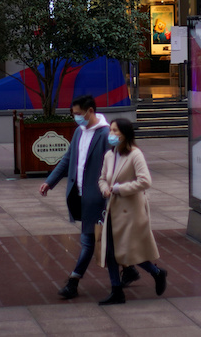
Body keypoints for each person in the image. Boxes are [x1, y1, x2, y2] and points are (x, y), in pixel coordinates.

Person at [39, 95, 139, 298]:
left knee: (88, 241)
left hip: (99, 197)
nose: (76, 117)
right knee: (106, 241)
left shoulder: (105, 134)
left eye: (78, 114)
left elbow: (116, 165)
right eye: (74, 114)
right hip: (82, 196)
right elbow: (68, 160)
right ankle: (134, 270)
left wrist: (114, 190)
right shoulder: (79, 132)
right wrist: (50, 181)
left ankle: (73, 282)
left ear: (90, 111)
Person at [96, 118, 168, 305]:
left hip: (131, 211)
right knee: (111, 251)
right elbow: (102, 178)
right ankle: (116, 290)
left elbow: (145, 181)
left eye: (115, 131)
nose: (111, 134)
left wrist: (120, 188)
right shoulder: (109, 155)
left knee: (128, 251)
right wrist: (105, 189)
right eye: (110, 130)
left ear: (125, 134)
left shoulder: (135, 155)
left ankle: (157, 272)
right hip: (113, 209)